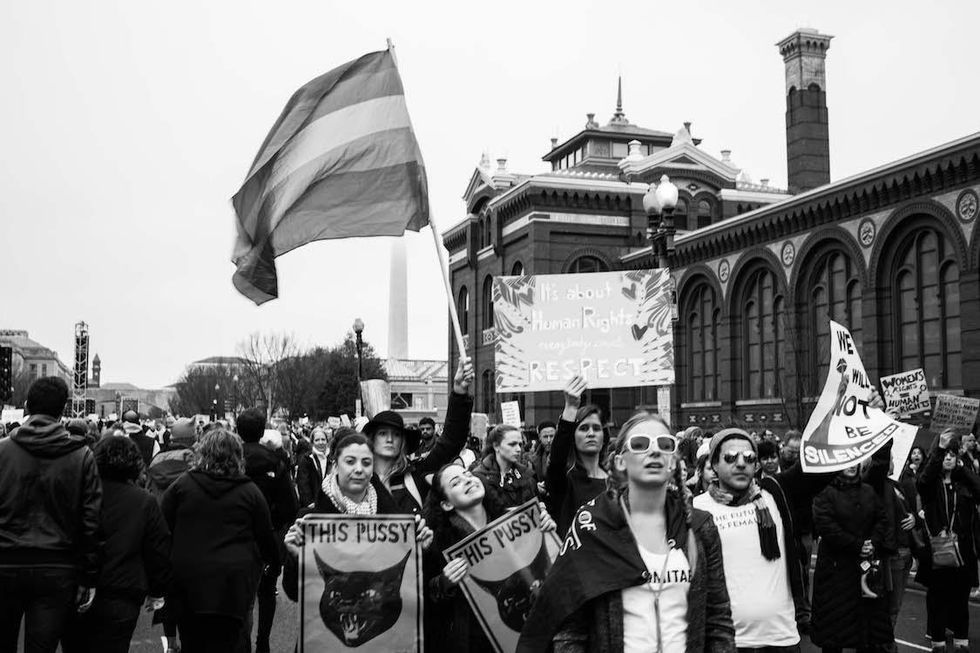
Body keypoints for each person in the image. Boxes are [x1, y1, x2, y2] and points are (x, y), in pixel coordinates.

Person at [519, 411, 735, 652]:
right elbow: (571, 628)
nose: (654, 451)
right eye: (640, 444)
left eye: (665, 444)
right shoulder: (594, 527)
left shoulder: (699, 526)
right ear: (620, 462)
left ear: (674, 461)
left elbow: (718, 620)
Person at [0, 377, 102, 653]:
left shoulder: (3, 450)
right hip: (57, 567)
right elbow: (90, 521)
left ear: (26, 407)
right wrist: (88, 576)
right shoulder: (81, 457)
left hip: (6, 560)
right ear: (63, 411)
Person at [693, 428, 812, 652]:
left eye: (749, 458)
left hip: (780, 640)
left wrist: (865, 412)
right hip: (726, 643)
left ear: (756, 465)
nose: (741, 463)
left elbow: (827, 464)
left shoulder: (774, 493)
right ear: (714, 464)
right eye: (730, 457)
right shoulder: (695, 509)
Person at [161, 428, 278, 653]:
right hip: (232, 586)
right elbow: (266, 535)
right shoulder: (249, 492)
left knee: (193, 642)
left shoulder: (182, 486)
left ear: (202, 453)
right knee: (232, 642)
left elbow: (163, 528)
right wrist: (271, 566)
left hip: (189, 583)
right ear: (237, 456)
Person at [282, 431, 434, 600]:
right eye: (350, 461)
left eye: (366, 462)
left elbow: (409, 587)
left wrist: (420, 552)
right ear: (335, 465)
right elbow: (294, 593)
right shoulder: (309, 521)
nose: (359, 469)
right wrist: (296, 558)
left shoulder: (394, 522)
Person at [423, 462, 556, 652]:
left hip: (530, 632)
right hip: (475, 641)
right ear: (446, 504)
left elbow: (543, 568)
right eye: (455, 482)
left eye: (468, 474)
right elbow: (428, 598)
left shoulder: (517, 520)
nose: (467, 480)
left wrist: (546, 532)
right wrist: (445, 582)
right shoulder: (439, 542)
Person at [62, 436, 172, 653]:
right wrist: (157, 590)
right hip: (124, 591)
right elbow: (157, 548)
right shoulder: (144, 501)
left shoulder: (77, 492)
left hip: (77, 585)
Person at [367, 357, 474, 514]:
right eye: (383, 434)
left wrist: (459, 392)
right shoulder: (359, 478)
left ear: (403, 442)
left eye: (396, 434)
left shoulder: (416, 475)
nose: (390, 439)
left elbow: (451, 441)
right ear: (372, 439)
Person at [810, 462, 893, 653]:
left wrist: (873, 542)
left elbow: (882, 519)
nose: (852, 466)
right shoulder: (825, 492)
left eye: (855, 461)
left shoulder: (868, 491)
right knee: (834, 632)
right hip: (836, 570)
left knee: (866, 631)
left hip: (864, 570)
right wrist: (857, 545)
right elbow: (825, 524)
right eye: (847, 462)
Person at [237, 408, 298, 653]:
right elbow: (290, 504)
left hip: (237, 534)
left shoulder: (231, 459)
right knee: (267, 590)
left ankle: (241, 640)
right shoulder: (275, 461)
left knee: (241, 593)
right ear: (262, 431)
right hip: (268, 533)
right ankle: (263, 640)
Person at [915, 430, 980, 653]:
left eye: (953, 454)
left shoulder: (964, 484)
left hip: (962, 553)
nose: (949, 458)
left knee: (961, 601)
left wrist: (963, 466)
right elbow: (922, 481)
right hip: (938, 551)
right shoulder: (931, 485)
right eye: (946, 455)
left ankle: (961, 641)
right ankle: (938, 643)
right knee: (938, 600)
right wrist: (939, 449)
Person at [545, 375, 609, 534]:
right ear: (573, 436)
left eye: (596, 428)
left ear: (604, 436)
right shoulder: (565, 479)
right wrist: (571, 408)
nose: (591, 433)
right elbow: (556, 460)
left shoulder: (615, 480)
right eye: (584, 428)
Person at [471, 423, 539, 510]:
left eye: (520, 444)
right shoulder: (479, 478)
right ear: (496, 446)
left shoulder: (527, 475)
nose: (518, 449)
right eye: (512, 444)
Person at [296, 426, 330, 509]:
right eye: (317, 440)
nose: (321, 442)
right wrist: (309, 502)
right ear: (312, 442)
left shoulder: (332, 458)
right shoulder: (307, 459)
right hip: (312, 505)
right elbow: (303, 482)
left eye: (323, 439)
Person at [531, 421, 556, 493]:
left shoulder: (568, 456)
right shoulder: (533, 459)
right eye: (545, 436)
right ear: (539, 437)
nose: (549, 440)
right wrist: (536, 486)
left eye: (551, 436)